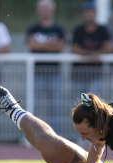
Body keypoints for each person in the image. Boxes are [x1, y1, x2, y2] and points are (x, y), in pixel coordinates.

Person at [26, 0, 66, 135]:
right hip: (36, 73)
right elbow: (32, 45)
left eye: (47, 8)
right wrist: (51, 44)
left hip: (55, 73)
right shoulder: (32, 28)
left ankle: (56, 136)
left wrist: (41, 44)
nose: (44, 11)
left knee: (55, 107)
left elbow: (60, 47)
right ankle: (32, 135)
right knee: (33, 106)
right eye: (42, 8)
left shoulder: (59, 29)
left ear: (52, 10)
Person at [71, 1, 112, 97]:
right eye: (87, 12)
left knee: (94, 104)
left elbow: (108, 48)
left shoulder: (102, 30)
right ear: (83, 14)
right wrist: (92, 55)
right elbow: (74, 49)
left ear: (96, 13)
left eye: (91, 12)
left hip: (96, 74)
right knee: (79, 104)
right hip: (78, 75)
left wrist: (89, 54)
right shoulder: (78, 30)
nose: (89, 14)